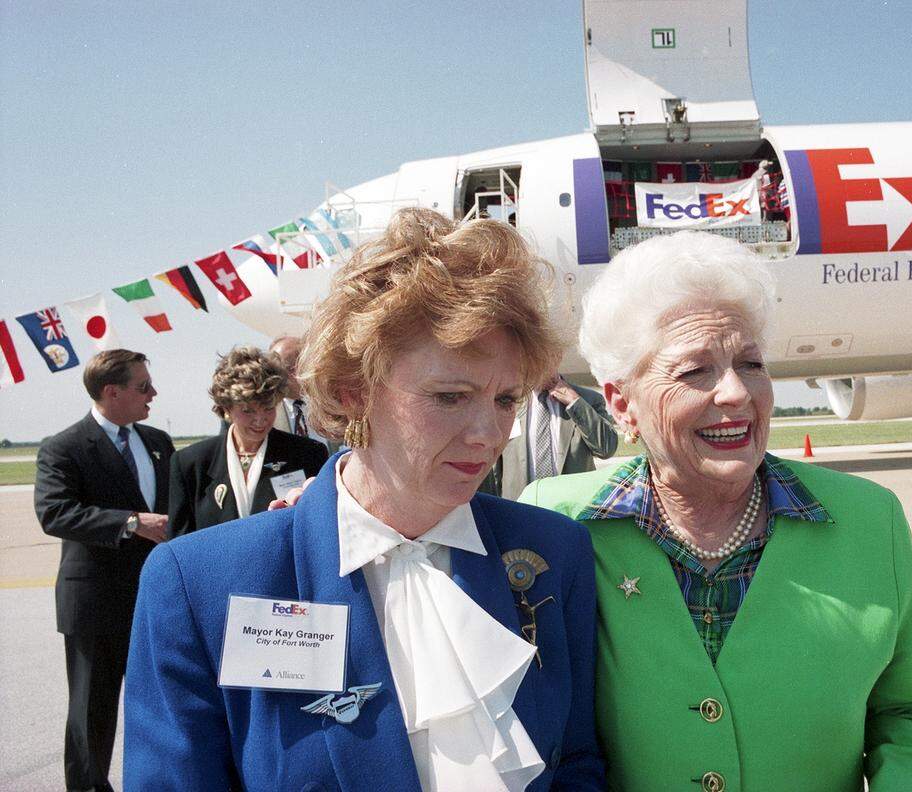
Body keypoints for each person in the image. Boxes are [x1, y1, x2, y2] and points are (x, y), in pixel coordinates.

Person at [124, 208, 604, 791]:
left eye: (507, 400)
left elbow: (577, 761)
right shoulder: (198, 580)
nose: (489, 434)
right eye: (451, 397)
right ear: (355, 392)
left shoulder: (554, 550)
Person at [521, 231, 912, 791]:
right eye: (694, 371)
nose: (735, 393)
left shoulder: (871, 520)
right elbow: (531, 727)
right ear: (621, 403)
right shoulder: (555, 526)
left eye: (750, 364)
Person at [33, 349, 174, 792]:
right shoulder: (64, 447)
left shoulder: (157, 442)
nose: (153, 393)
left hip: (152, 598)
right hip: (95, 604)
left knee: (159, 704)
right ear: (112, 392)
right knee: (92, 712)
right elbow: (55, 513)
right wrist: (130, 523)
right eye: (143, 386)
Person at [167, 345, 328, 537]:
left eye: (268, 408)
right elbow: (179, 540)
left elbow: (320, 528)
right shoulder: (191, 463)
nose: (260, 420)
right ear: (226, 407)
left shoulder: (308, 454)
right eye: (247, 410)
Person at [481, 366, 618, 499]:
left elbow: (606, 448)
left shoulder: (587, 399)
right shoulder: (506, 401)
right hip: (518, 509)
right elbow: (491, 464)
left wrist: (575, 403)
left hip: (570, 511)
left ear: (557, 354)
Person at [270, 333, 337, 451]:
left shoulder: (336, 403)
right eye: (288, 367)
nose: (297, 372)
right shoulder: (269, 417)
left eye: (300, 361)